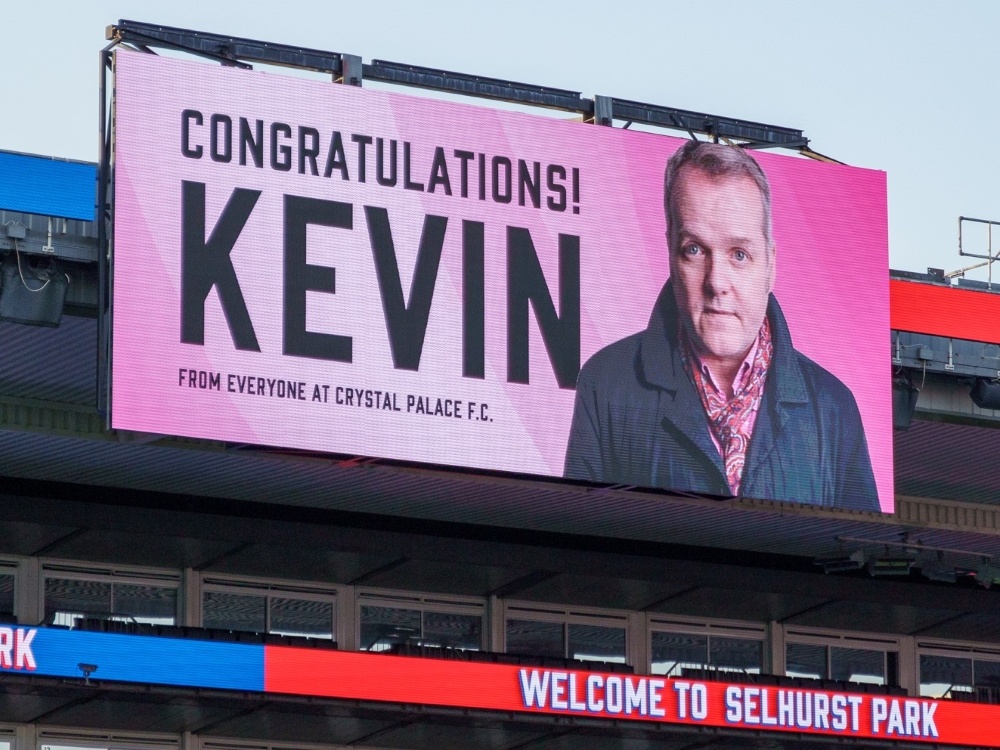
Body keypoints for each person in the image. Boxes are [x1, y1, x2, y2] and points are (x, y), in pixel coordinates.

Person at [564, 140, 879, 511]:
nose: (717, 282)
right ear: (670, 252)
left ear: (771, 264)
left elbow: (859, 549)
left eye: (739, 255)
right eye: (694, 250)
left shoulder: (833, 407)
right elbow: (579, 534)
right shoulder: (607, 384)